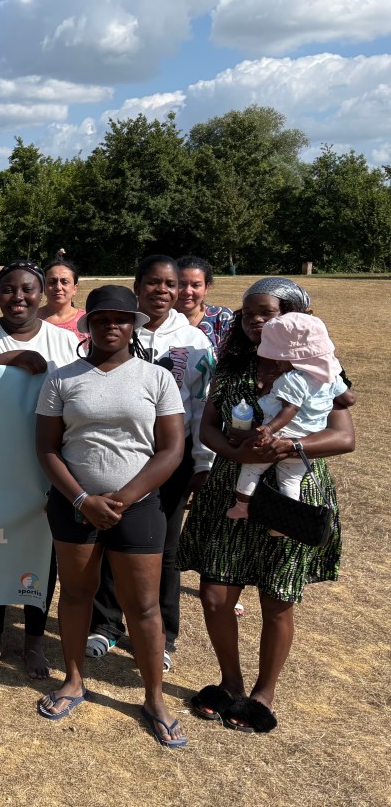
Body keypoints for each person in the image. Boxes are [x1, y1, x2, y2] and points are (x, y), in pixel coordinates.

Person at [178, 278, 355, 734]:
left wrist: (288, 445)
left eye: (269, 313)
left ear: (295, 320)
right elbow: (209, 429)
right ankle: (230, 683)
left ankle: (263, 693)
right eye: (249, 313)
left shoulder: (321, 370)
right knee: (216, 596)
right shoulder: (231, 367)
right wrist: (241, 455)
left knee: (278, 598)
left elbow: (343, 437)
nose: (257, 321)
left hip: (291, 491)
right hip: (231, 488)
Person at [34, 285, 188, 747]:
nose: (111, 326)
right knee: (77, 596)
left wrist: (121, 499)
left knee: (143, 606)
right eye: (102, 319)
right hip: (75, 506)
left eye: (121, 319)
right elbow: (47, 448)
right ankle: (74, 680)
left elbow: (172, 449)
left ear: (133, 324)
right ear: (90, 324)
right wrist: (84, 500)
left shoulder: (156, 378)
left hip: (138, 507)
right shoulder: (62, 379)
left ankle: (154, 697)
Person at [0, 260, 79, 680]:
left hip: (48, 464)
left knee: (44, 553)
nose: (18, 297)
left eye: (27, 289)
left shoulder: (63, 341)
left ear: (41, 294)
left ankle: (35, 641)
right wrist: (13, 358)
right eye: (8, 289)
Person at [86, 255, 215, 672]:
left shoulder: (195, 341)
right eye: (154, 283)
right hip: (123, 456)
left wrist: (201, 463)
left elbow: (200, 407)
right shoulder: (121, 328)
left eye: (171, 284)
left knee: (164, 548)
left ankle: (163, 633)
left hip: (172, 459)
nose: (163, 290)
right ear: (138, 287)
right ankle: (105, 625)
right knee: (109, 538)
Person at [226, 314, 348, 526]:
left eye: (280, 359)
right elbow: (349, 398)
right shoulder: (330, 377)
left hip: (280, 438)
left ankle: (241, 506)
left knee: (252, 468)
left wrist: (268, 429)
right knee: (290, 482)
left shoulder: (291, 379)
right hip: (307, 443)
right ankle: (284, 523)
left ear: (294, 358)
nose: (276, 363)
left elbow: (289, 409)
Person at [177, 255, 234, 350]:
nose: (187, 291)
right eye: (181, 284)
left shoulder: (222, 318)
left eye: (195, 285)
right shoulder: (158, 319)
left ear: (206, 288)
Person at [38, 257, 87, 341]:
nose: (58, 287)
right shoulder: (31, 320)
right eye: (52, 282)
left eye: (65, 282)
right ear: (44, 287)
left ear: (75, 288)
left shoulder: (87, 320)